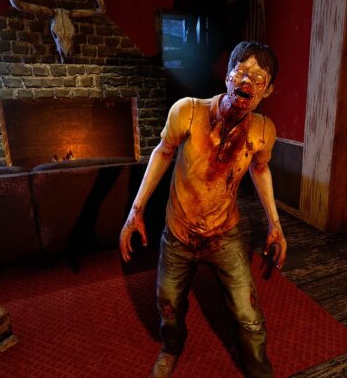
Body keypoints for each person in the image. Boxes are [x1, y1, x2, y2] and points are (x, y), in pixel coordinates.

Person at [119, 41, 287, 378]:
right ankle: (172, 347)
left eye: (259, 78)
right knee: (168, 305)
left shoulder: (263, 130)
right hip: (179, 233)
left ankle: (260, 371)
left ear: (268, 90)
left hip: (225, 235)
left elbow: (260, 169)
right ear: (227, 76)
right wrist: (135, 211)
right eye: (241, 72)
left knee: (249, 316)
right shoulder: (188, 111)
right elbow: (163, 152)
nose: (247, 81)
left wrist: (275, 224)